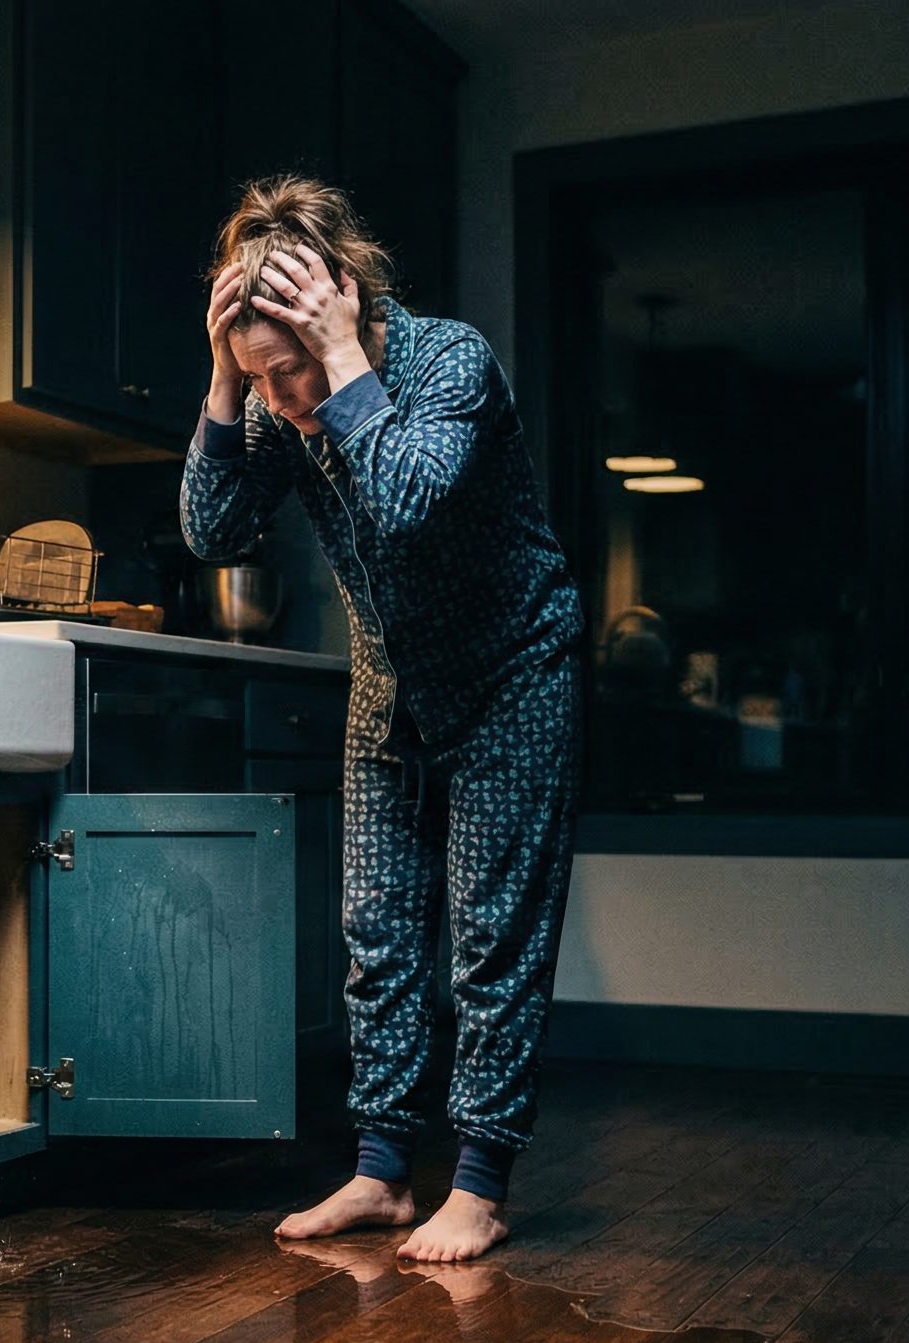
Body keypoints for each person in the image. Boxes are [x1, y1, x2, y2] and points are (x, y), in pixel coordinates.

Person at [181, 175, 584, 1262]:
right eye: (264, 379)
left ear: (344, 299)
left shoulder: (447, 361)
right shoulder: (276, 395)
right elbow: (215, 531)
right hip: (388, 685)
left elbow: (405, 494)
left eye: (291, 368)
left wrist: (341, 359)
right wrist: (229, 383)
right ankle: (380, 1175)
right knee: (379, 934)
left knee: (493, 938)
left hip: (512, 673)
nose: (288, 401)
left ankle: (483, 1184)